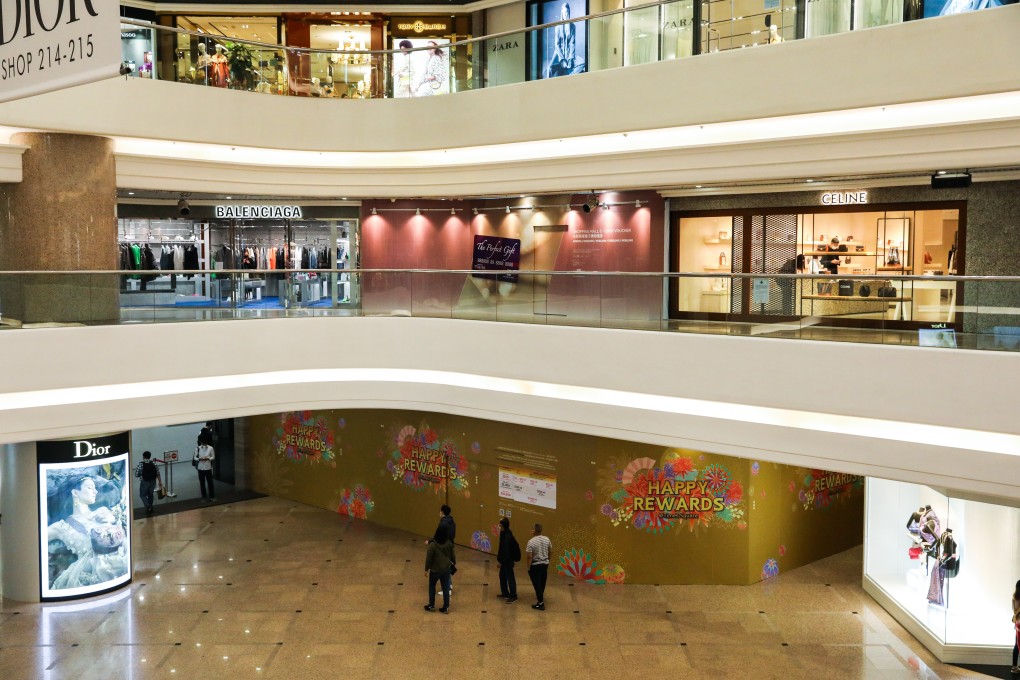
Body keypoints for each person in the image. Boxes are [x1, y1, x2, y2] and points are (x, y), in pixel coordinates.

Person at [47, 474, 129, 591]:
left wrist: (113, 519)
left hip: (121, 558)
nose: (95, 491)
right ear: (75, 493)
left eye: (95, 488)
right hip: (89, 571)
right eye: (90, 487)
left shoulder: (103, 512)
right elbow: (34, 539)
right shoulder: (61, 526)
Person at [424, 525, 455, 613]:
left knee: (432, 586)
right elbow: (453, 556)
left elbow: (429, 558)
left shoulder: (432, 545)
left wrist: (426, 569)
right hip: (446, 569)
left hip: (435, 570)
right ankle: (445, 607)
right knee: (445, 587)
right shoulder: (449, 543)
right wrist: (453, 564)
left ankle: (431, 605)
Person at [525, 523, 552, 610]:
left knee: (537, 584)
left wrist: (528, 567)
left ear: (534, 530)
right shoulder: (547, 539)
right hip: (545, 564)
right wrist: (548, 561)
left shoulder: (531, 542)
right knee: (542, 582)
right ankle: (540, 597)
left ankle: (540, 603)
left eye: (532, 529)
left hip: (535, 565)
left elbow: (529, 556)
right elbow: (550, 550)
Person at [547, 3, 577, 78]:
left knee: (582, 63)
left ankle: (569, 76)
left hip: (569, 52)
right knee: (549, 69)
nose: (565, 15)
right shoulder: (558, 27)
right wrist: (562, 59)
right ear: (562, 14)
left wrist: (570, 58)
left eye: (567, 13)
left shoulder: (573, 26)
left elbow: (572, 43)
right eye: (564, 13)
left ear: (569, 13)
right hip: (558, 53)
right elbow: (557, 45)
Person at [496, 517, 521, 603]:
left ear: (502, 525)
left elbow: (505, 551)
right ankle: (505, 593)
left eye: (499, 524)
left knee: (510, 578)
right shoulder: (504, 532)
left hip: (507, 561)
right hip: (505, 560)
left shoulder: (507, 536)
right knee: (502, 576)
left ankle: (513, 595)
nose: (498, 526)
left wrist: (500, 561)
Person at [1011, 579, 1020, 674]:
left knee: (1017, 645)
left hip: (1017, 624)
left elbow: (1013, 611)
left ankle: (1014, 667)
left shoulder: (1014, 598)